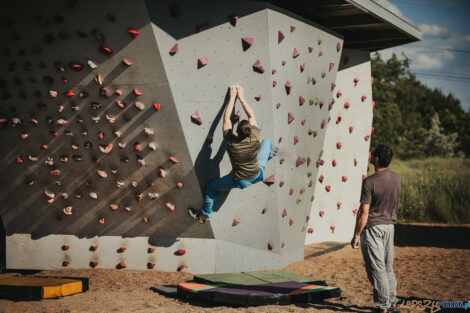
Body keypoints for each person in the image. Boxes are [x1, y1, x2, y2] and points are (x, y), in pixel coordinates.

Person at [189, 86, 277, 223]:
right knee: (268, 142)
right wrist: (241, 97)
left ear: (237, 132)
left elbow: (226, 120)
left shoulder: (231, 143)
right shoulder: (255, 137)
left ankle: (204, 215)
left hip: (240, 180)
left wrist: (231, 98)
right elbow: (251, 116)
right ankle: (270, 154)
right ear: (250, 131)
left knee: (211, 188)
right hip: (258, 173)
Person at [351, 144, 402, 313]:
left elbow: (363, 213)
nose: (371, 155)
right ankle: (393, 303)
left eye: (373, 154)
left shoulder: (369, 181)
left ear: (377, 159)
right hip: (390, 227)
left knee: (377, 268)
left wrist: (356, 234)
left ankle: (383, 306)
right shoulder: (397, 178)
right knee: (387, 267)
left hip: (373, 228)